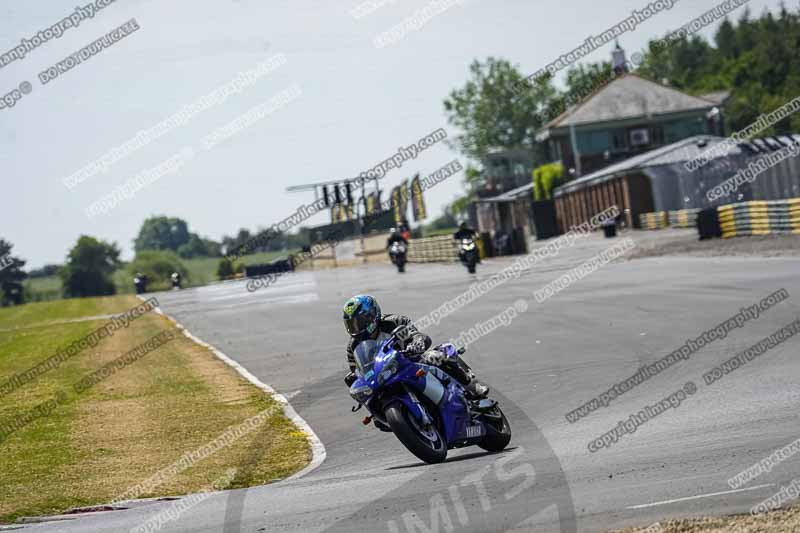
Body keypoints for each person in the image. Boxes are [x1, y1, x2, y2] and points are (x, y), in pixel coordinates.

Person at [342, 295, 489, 408]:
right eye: (351, 324)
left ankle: (472, 385)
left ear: (372, 315)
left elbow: (415, 335)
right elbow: (357, 371)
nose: (356, 328)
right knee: (372, 403)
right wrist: (354, 378)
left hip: (411, 361)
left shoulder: (393, 322)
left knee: (437, 355)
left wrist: (417, 343)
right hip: (384, 375)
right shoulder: (353, 345)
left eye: (359, 322)